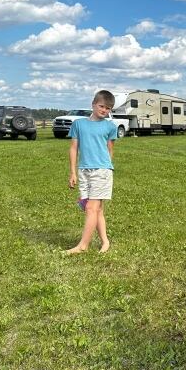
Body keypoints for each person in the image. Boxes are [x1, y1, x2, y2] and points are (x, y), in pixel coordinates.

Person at [66, 90, 118, 254]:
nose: (104, 110)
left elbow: (110, 150)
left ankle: (83, 246)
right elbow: (74, 148)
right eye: (102, 106)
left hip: (102, 171)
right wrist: (73, 172)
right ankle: (105, 242)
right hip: (83, 171)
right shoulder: (79, 124)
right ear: (93, 104)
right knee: (97, 210)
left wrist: (105, 168)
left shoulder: (110, 126)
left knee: (91, 208)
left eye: (108, 108)